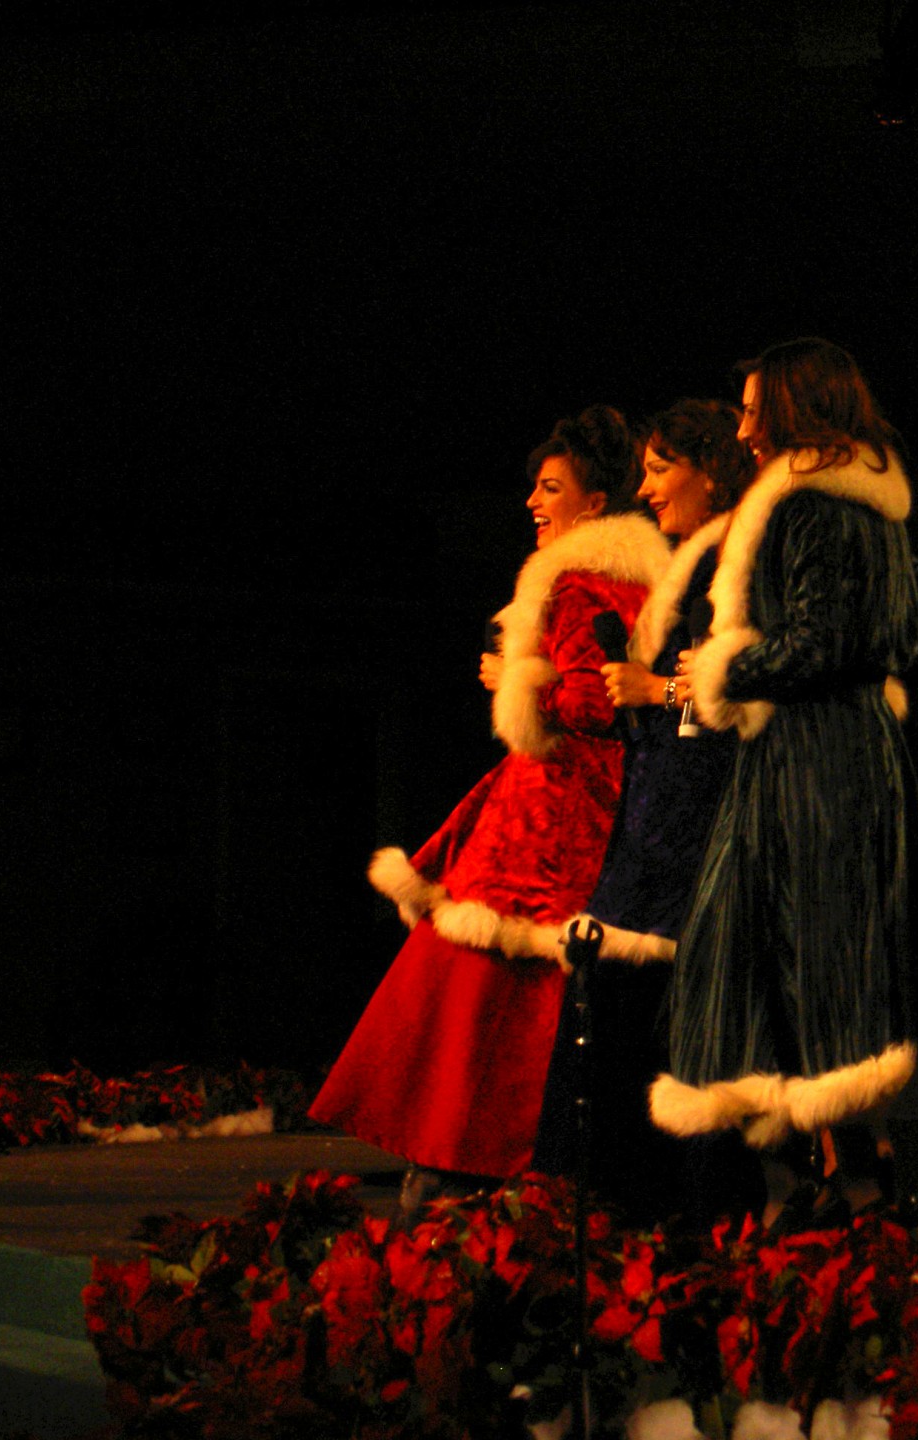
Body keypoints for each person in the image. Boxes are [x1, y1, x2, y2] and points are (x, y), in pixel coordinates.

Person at [309, 406, 669, 1216]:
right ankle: (506, 1156)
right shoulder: (636, 578)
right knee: (523, 980)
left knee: (484, 977)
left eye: (552, 488)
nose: (534, 503)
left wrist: (519, 680)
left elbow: (595, 703)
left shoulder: (575, 580)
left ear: (595, 501)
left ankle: (468, 1151)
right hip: (592, 799)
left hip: (551, 809)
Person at [648, 338, 918, 1226]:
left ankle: (849, 1188)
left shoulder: (816, 503)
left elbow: (821, 641)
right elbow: (907, 619)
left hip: (817, 760)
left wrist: (723, 668)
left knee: (816, 958)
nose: (744, 432)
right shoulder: (867, 506)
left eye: (754, 411)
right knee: (809, 956)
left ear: (795, 408)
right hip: (833, 751)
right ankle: (837, 1178)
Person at [537, 399, 755, 1220]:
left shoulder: (734, 564)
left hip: (689, 837)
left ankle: (664, 1220)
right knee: (625, 1022)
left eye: (662, 469)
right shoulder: (693, 562)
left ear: (712, 473)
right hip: (657, 826)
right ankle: (623, 1216)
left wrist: (652, 689)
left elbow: (744, 695)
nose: (647, 486)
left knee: (660, 1031)